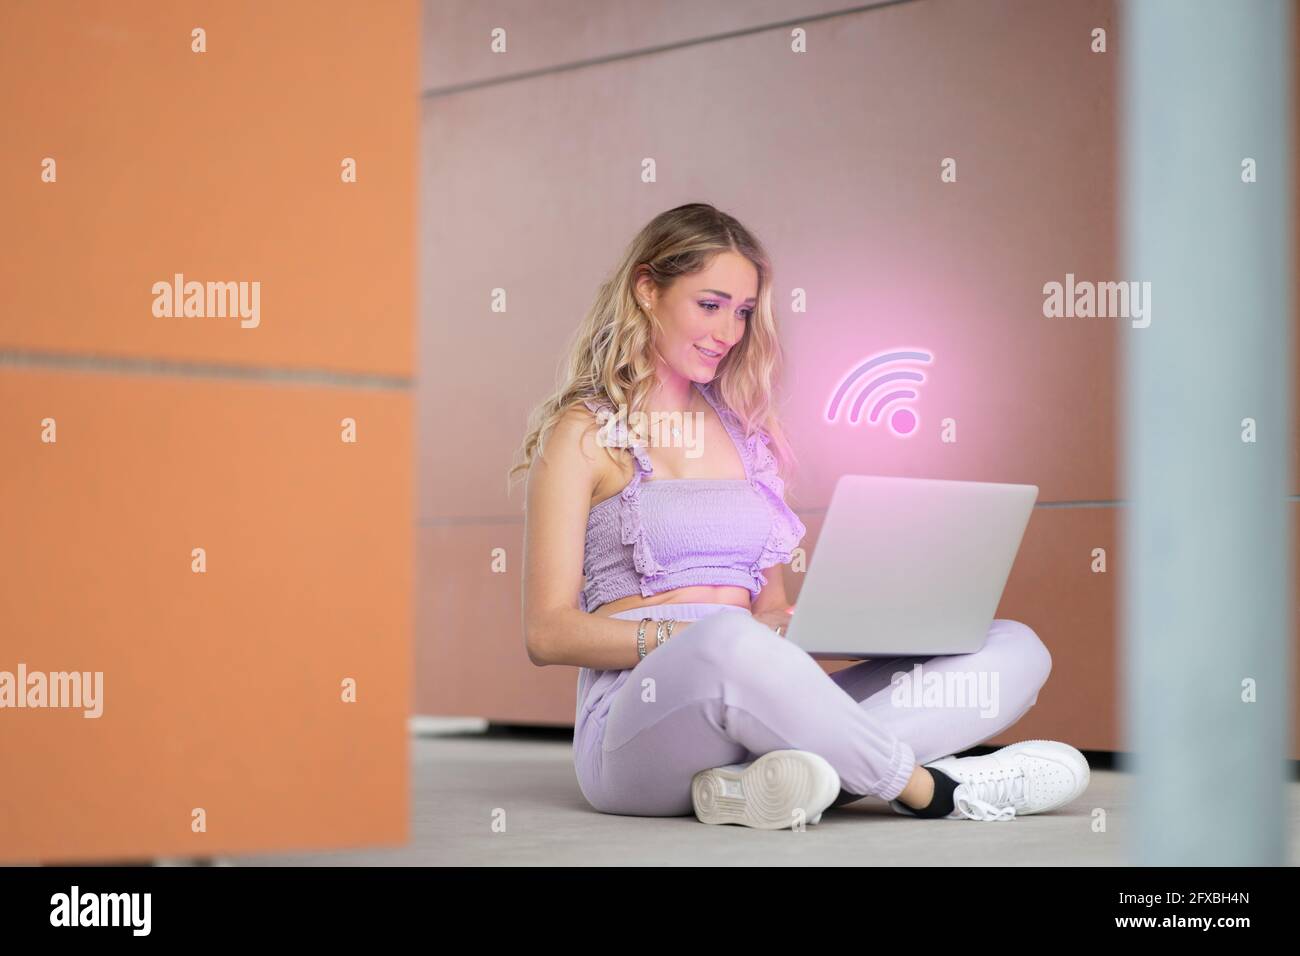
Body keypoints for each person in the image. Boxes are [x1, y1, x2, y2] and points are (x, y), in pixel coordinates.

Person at [509, 202, 1089, 829]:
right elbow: (548, 634)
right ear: (648, 290)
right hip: (638, 724)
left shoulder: (749, 439)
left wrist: (856, 621)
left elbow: (767, 618)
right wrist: (687, 638)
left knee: (1012, 647)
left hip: (754, 699)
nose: (729, 332)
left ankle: (763, 785)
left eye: (743, 311)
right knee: (725, 637)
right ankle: (933, 789)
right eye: (710, 304)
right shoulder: (584, 435)